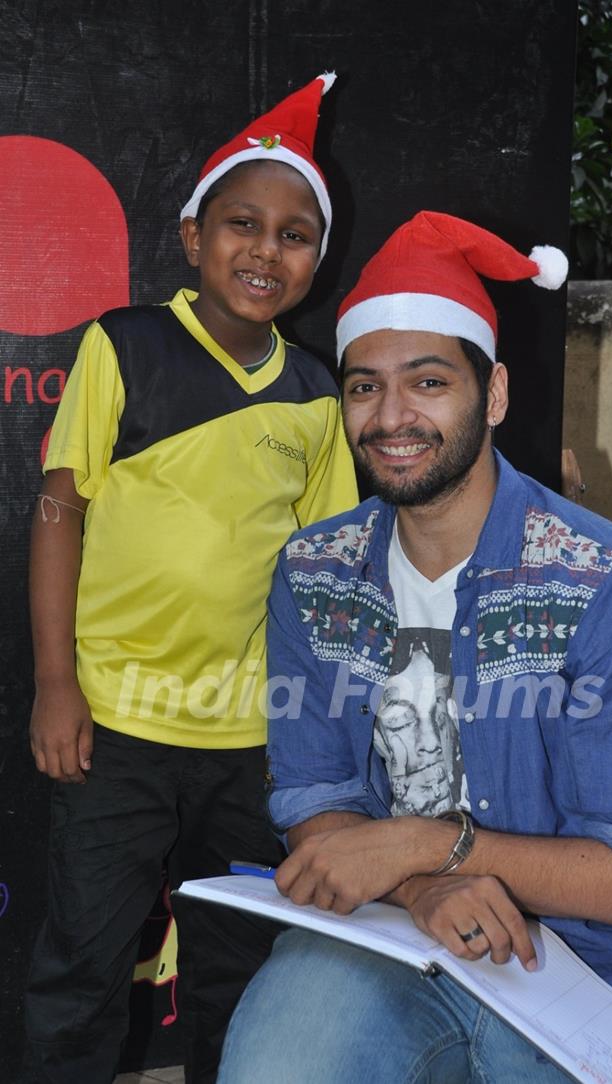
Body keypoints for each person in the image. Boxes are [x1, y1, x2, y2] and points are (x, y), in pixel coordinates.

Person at [216, 212, 612, 1084]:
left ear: (497, 394)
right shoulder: (316, 573)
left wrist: (418, 845)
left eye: (429, 382)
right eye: (364, 387)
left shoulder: (609, 588)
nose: (392, 416)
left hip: (590, 969)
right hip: (391, 933)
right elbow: (314, 795)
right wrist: (419, 885)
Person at [24, 73, 357, 1084]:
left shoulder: (314, 397)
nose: (266, 250)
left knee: (240, 971)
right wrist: (54, 682)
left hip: (253, 740)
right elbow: (58, 513)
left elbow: (329, 572)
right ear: (192, 234)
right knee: (81, 961)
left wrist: (322, 726)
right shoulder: (122, 346)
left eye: (296, 234)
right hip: (118, 723)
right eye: (242, 224)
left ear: (318, 257)